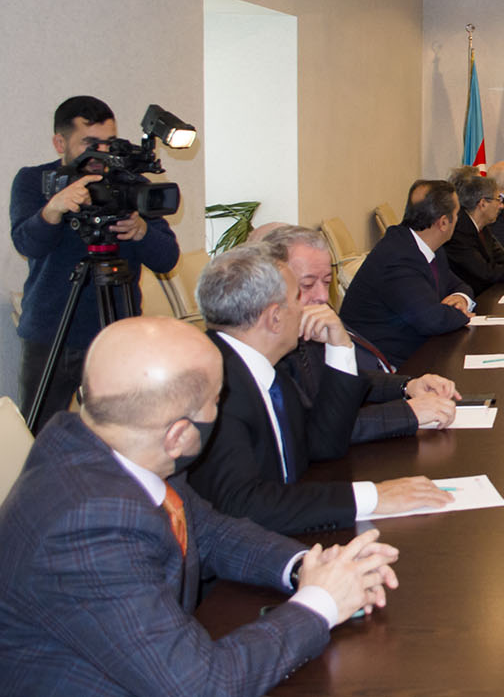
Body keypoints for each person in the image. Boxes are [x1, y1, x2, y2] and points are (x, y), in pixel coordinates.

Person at [0, 316, 401, 696]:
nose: (220, 410)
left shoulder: (119, 442)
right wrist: (322, 603)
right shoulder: (86, 529)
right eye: (216, 400)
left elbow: (210, 532)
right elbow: (204, 685)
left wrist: (308, 567)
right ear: (178, 436)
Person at [188, 244, 452, 534]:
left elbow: (323, 443)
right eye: (297, 297)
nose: (312, 304)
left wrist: (340, 347)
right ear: (275, 318)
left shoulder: (263, 367)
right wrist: (372, 497)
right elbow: (243, 505)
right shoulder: (215, 386)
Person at [10, 95, 180, 427]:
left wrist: (142, 232)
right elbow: (27, 243)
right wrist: (53, 210)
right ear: (60, 143)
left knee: (125, 430)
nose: (101, 153)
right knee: (41, 433)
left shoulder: (131, 186)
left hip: (119, 334)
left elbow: (167, 259)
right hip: (51, 332)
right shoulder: (35, 181)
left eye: (108, 143)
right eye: (90, 144)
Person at [261, 224, 461, 442]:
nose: (322, 296)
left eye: (327, 282)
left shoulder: (307, 323)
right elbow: (318, 430)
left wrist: (407, 386)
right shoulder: (269, 346)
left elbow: (343, 379)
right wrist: (409, 412)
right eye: (307, 285)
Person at [340, 179, 476, 367]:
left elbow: (459, 285)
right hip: (384, 365)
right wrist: (462, 315)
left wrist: (461, 299)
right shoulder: (397, 257)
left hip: (418, 350)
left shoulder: (430, 247)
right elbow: (431, 320)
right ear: (443, 223)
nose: (458, 219)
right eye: (457, 214)